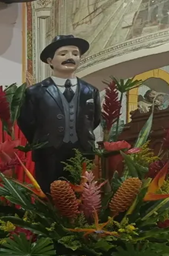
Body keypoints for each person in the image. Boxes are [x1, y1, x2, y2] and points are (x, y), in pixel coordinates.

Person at [17, 35, 102, 194]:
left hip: (83, 153)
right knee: (49, 197)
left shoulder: (91, 91)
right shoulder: (35, 92)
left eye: (75, 54)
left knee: (83, 199)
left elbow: (94, 119)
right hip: (48, 155)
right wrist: (45, 138)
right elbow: (27, 122)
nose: (70, 57)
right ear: (50, 60)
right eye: (63, 54)